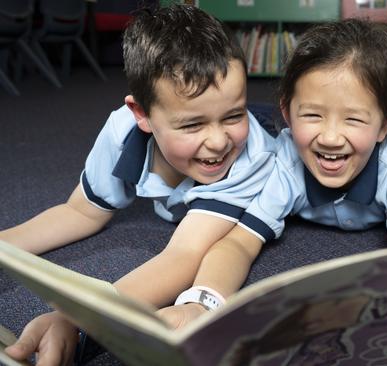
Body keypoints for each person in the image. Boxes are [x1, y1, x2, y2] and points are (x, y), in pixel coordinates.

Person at [158, 18, 387, 366]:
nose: (330, 137)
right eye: (312, 115)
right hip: (285, 123)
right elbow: (237, 243)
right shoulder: (284, 158)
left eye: (354, 119)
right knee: (258, 122)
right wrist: (202, 303)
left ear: (383, 125)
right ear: (290, 113)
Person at [3, 5, 276, 365]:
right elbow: (80, 211)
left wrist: (80, 317)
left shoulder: (251, 155)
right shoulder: (121, 131)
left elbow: (183, 255)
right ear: (141, 115)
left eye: (233, 115)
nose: (218, 142)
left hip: (270, 132)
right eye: (192, 125)